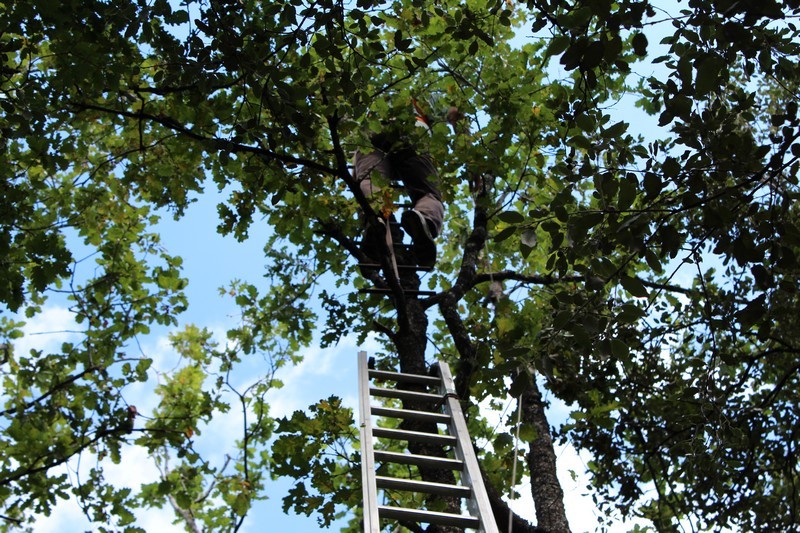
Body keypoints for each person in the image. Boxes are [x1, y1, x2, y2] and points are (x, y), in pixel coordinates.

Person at [353, 99, 450, 268]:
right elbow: (454, 112)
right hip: (412, 130)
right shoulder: (420, 101)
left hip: (371, 133)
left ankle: (375, 217)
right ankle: (424, 218)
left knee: (368, 181)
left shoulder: (368, 100)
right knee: (428, 193)